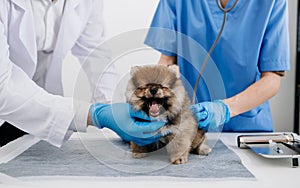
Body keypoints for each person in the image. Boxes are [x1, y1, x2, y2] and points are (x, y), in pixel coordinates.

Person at [0, 0, 165, 147]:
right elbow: (2, 88)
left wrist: (113, 107)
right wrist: (95, 114)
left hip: (39, 114)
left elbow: (95, 53)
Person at [145, 0, 290, 132]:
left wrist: (224, 109)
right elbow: (167, 62)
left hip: (248, 129)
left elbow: (272, 79)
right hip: (191, 125)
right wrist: (148, 102)